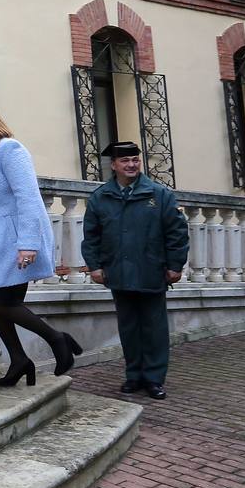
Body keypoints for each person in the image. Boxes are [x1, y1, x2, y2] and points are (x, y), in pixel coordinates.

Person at [0, 100, 80, 386]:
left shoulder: (9, 150)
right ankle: (19, 359)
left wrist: (29, 244)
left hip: (14, 245)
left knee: (1, 301)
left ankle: (57, 339)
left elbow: (28, 198)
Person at [82, 140, 190, 401]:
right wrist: (95, 266)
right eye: (125, 161)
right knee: (129, 328)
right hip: (118, 274)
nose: (131, 165)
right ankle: (133, 376)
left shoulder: (158, 195)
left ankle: (153, 379)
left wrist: (176, 265)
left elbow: (177, 232)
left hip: (151, 271)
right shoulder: (101, 197)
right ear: (114, 165)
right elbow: (91, 236)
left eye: (135, 160)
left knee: (154, 329)